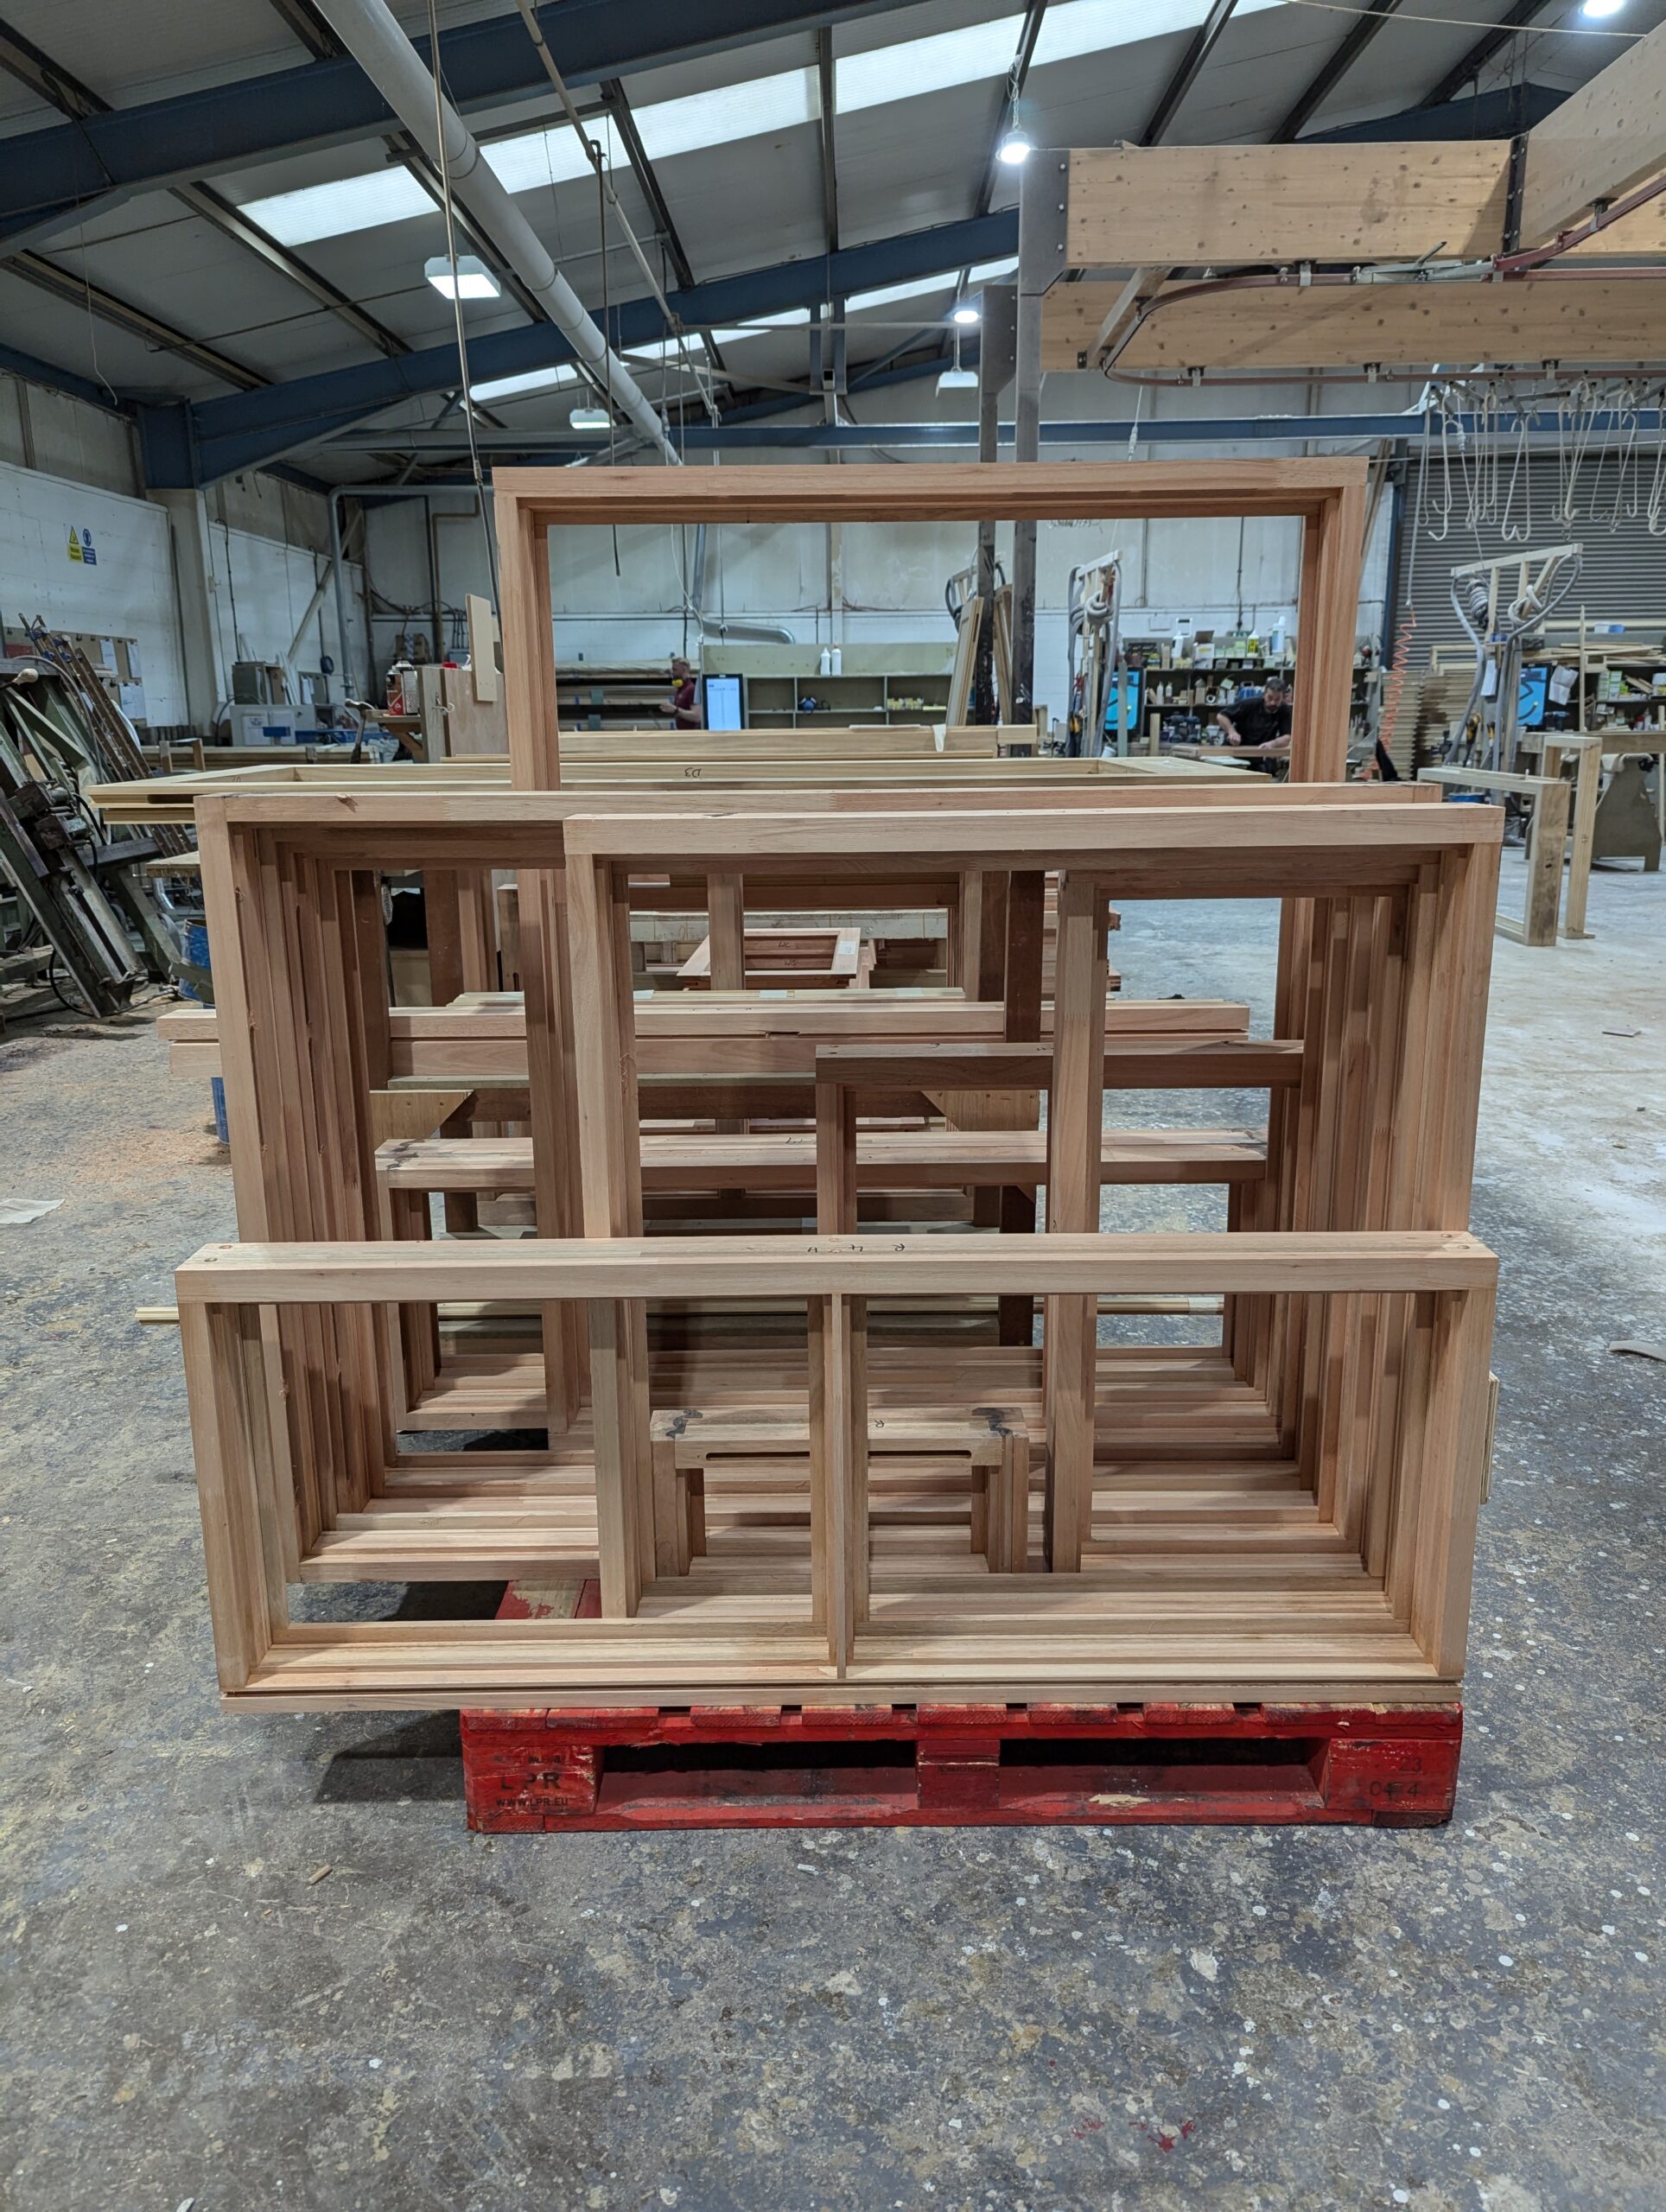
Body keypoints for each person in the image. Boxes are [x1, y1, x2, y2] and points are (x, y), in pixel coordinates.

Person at [1215, 673, 1292, 762]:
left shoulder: (1283, 710)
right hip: (1235, 752)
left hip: (1259, 754)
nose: (1273, 703)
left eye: (1277, 699)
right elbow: (1221, 716)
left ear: (1283, 698)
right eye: (1270, 698)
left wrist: (1273, 744)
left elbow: (1287, 737)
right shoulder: (1250, 704)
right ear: (1264, 694)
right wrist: (1232, 732)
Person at [668, 656, 701, 730]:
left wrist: (675, 710)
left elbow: (697, 717)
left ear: (684, 670)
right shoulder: (681, 690)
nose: (671, 672)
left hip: (691, 736)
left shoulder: (691, 689)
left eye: (674, 669)